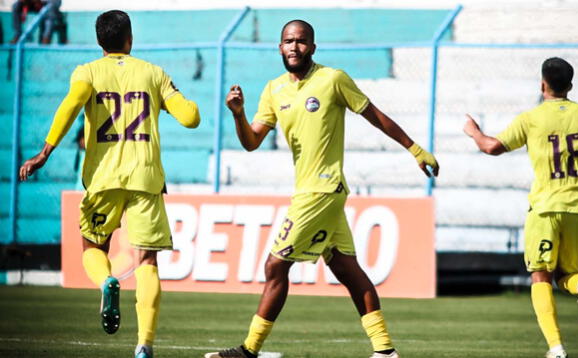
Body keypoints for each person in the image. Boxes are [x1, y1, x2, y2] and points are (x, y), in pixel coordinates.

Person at [204, 20, 439, 358]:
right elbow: (252, 141)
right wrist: (238, 115)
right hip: (310, 191)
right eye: (288, 41)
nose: (294, 47)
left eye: (301, 41)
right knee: (346, 269)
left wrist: (415, 149)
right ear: (279, 46)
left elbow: (375, 115)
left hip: (322, 191)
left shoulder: (332, 79)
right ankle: (385, 351)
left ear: (313, 47)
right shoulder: (274, 90)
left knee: (275, 267)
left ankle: (249, 351)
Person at [18, 10, 200, 358]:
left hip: (102, 178)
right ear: (130, 38)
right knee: (147, 261)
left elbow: (71, 105)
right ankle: (144, 345)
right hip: (146, 178)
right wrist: (176, 99)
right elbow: (191, 118)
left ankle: (107, 282)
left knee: (92, 248)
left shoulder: (87, 72)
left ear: (100, 41)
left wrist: (44, 153)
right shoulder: (153, 73)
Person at [463, 57, 578, 358]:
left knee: (541, 276)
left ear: (542, 84)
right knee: (568, 276)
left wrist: (473, 131)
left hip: (545, 209)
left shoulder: (531, 118)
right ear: (570, 86)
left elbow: (492, 147)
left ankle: (556, 348)